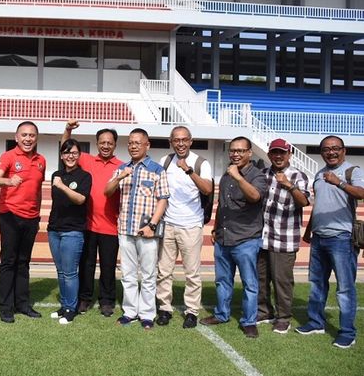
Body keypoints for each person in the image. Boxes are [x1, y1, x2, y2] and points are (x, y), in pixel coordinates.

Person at [297, 135, 363, 349]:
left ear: (344, 150)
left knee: (344, 288)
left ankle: (347, 332)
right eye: (326, 149)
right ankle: (316, 322)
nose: (331, 152)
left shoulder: (353, 171)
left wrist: (340, 182)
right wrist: (309, 231)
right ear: (322, 152)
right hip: (319, 237)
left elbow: (361, 193)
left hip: (342, 238)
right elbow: (319, 205)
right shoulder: (318, 173)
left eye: (335, 148)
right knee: (316, 284)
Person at [200, 137, 268, 338]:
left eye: (240, 151)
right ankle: (222, 314)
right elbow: (222, 204)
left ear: (249, 153)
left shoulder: (257, 175)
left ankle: (249, 321)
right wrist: (216, 227)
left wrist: (238, 177)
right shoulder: (227, 174)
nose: (235, 154)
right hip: (223, 237)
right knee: (222, 280)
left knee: (250, 283)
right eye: (233, 151)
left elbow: (255, 196)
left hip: (246, 239)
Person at [104, 128, 169, 330]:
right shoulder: (122, 168)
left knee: (148, 274)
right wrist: (121, 176)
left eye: (137, 143)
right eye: (130, 143)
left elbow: (163, 200)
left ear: (147, 145)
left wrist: (152, 225)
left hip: (147, 231)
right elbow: (107, 191)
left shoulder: (157, 170)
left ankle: (147, 314)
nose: (133, 146)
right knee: (128, 274)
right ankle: (130, 311)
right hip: (125, 229)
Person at [62, 120, 122, 317]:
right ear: (97, 143)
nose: (105, 146)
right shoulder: (87, 160)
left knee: (108, 266)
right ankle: (85, 298)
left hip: (110, 226)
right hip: (87, 225)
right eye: (102, 142)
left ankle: (106, 301)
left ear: (114, 144)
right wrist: (68, 130)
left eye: (109, 143)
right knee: (86, 264)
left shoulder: (121, 166)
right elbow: (66, 148)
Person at [156, 126, 213, 329]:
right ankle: (164, 308)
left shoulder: (201, 163)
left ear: (191, 141)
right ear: (171, 141)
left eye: (184, 140)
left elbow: (207, 189)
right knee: (163, 270)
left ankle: (191, 311)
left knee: (192, 272)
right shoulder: (164, 161)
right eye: (176, 140)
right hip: (169, 224)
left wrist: (188, 171)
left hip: (191, 225)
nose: (180, 143)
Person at [0, 121, 46, 324]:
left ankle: (22, 304)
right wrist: (8, 181)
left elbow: (38, 190)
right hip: (10, 216)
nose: (28, 139)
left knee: (24, 262)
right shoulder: (8, 157)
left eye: (32, 135)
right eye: (24, 135)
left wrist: (38, 213)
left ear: (36, 138)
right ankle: (6, 307)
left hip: (31, 218)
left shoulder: (41, 160)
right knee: (9, 261)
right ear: (17, 137)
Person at [257, 138, 310, 334]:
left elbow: (304, 202)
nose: (278, 156)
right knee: (261, 278)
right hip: (262, 237)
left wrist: (289, 185)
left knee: (282, 281)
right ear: (269, 154)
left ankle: (283, 317)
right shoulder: (263, 174)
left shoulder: (298, 176)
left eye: (282, 152)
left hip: (285, 238)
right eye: (274, 152)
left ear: (289, 154)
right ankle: (264, 311)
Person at [48, 139, 91, 325]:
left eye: (73, 153)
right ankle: (64, 305)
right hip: (54, 230)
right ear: (61, 155)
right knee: (60, 271)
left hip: (73, 231)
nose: (70, 156)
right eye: (66, 153)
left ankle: (71, 309)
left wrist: (62, 186)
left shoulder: (84, 176)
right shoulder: (56, 175)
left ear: (79, 155)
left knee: (70, 272)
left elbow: (80, 199)